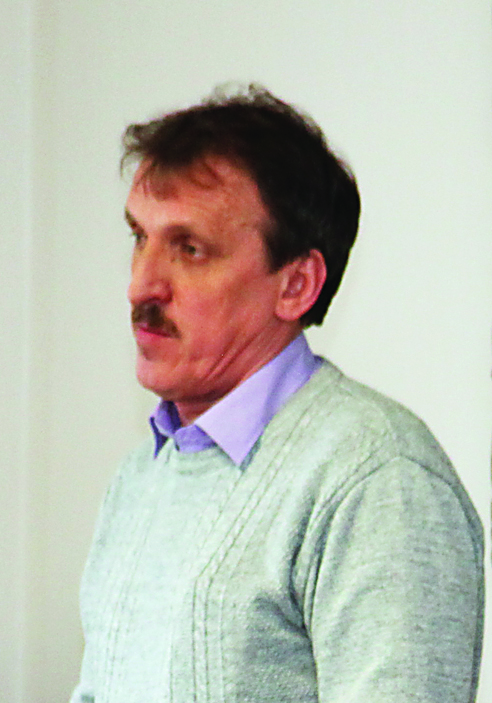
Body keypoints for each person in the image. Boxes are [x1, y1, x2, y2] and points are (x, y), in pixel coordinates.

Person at [70, 85, 484, 703]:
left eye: (189, 249)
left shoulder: (377, 478)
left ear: (295, 285)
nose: (141, 285)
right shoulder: (142, 475)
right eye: (140, 238)